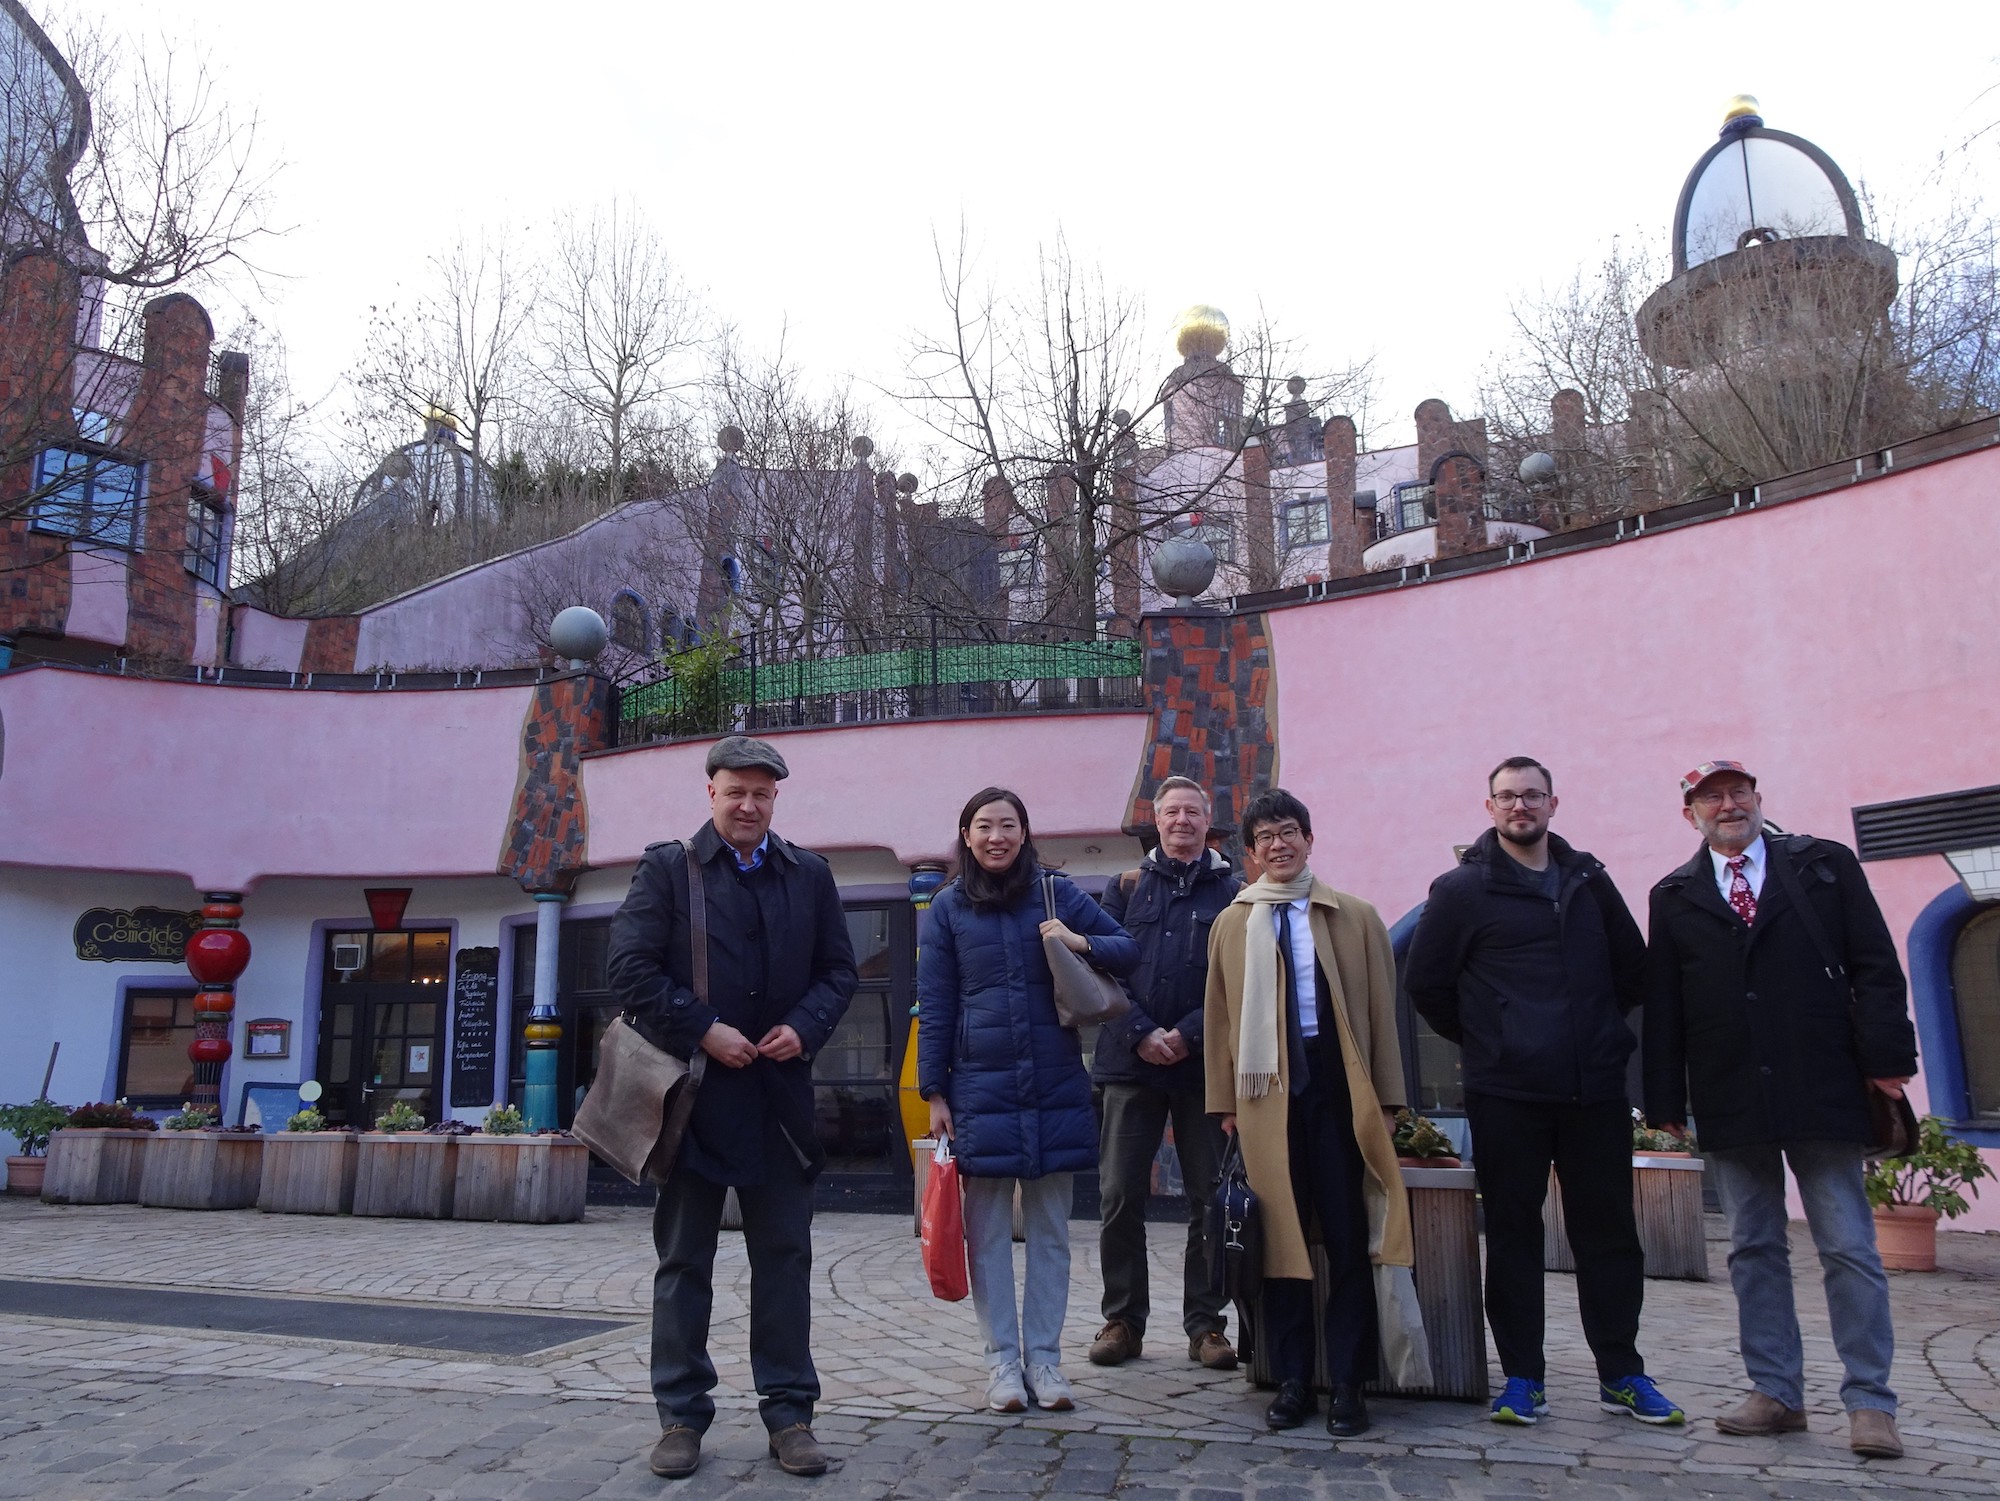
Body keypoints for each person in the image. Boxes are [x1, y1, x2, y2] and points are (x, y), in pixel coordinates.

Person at [1644, 761, 1918, 1461]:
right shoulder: (1673, 894)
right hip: (1730, 1088)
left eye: (1738, 792)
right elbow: (1665, 1004)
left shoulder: (1823, 865)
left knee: (1849, 1245)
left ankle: (1869, 1402)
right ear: (1690, 813)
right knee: (1752, 1248)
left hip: (1822, 1081)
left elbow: (1876, 963)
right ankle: (1777, 1391)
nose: (1728, 805)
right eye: (1712, 797)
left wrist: (1888, 1058)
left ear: (1759, 799)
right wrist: (1665, 1101)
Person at [1405, 756, 1683, 1428]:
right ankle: (1524, 1376)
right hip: (1507, 1094)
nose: (1520, 805)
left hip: (1594, 1091)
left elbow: (1634, 971)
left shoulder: (1590, 881)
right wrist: (1493, 1038)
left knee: (1610, 1236)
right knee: (1513, 1235)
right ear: (1490, 805)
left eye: (1532, 794)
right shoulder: (1461, 890)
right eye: (1507, 796)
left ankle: (1622, 1372)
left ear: (1554, 803)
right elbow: (1427, 985)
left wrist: (1591, 1029)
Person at [607, 736, 859, 1480]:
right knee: (684, 1261)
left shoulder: (809, 873)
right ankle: (681, 1415)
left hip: (779, 1102)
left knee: (784, 1259)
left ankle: (790, 1415)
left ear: (776, 799)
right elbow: (629, 968)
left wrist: (806, 1025)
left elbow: (839, 971)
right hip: (689, 1102)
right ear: (709, 793)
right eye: (735, 791)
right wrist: (702, 1026)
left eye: (762, 793)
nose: (748, 804)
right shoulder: (666, 868)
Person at [1204, 787, 1429, 1438]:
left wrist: (1389, 1099)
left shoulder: (1353, 915)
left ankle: (1351, 1384)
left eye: (1289, 831)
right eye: (1265, 836)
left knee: (1350, 1236)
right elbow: (1220, 1017)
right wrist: (1225, 1105)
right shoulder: (1233, 922)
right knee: (1281, 1244)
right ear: (1249, 853)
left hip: (1339, 1089)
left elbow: (1383, 1017)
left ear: (1309, 838)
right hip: (1264, 1097)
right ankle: (1294, 1379)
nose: (1278, 844)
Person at [917, 787, 1139, 1415]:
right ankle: (1000, 1366)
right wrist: (934, 1091)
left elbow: (1128, 951)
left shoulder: (1054, 892)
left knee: (1048, 1235)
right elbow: (934, 1004)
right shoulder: (946, 908)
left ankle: (1045, 1362)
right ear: (966, 835)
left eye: (1007, 825)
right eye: (983, 826)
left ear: (1024, 832)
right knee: (986, 1236)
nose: (996, 837)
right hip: (977, 1091)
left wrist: (1078, 940)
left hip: (1053, 1085)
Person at [1088, 775, 1243, 1372]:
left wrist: (1189, 1034)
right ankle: (1123, 1321)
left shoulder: (1234, 891)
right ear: (1156, 821)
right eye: (1172, 812)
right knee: (1120, 1194)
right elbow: (1100, 972)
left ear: (1209, 821)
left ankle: (1207, 1326)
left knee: (1210, 1197)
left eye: (1192, 813)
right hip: (1130, 1065)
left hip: (1206, 1068)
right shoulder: (1123, 888)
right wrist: (1142, 1033)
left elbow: (1239, 977)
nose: (1182, 821)